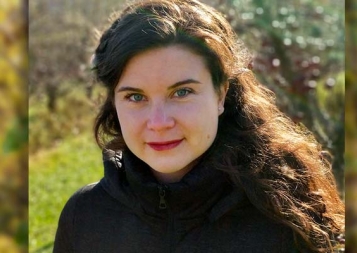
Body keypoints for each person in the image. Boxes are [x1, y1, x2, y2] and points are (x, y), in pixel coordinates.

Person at [53, 0, 345, 252]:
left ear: (220, 94)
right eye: (135, 97)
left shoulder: (289, 216)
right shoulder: (85, 217)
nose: (159, 123)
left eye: (181, 92)